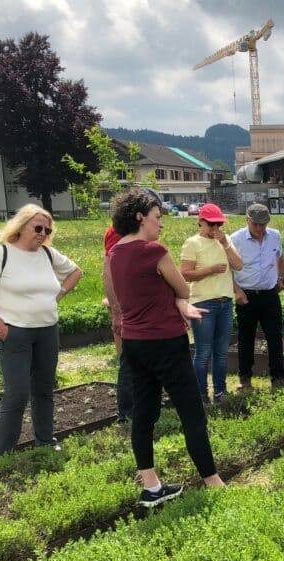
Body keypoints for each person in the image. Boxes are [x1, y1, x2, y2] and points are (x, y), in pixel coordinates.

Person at [103, 188, 225, 506]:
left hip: (134, 342)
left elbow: (135, 293)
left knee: (144, 413)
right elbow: (183, 287)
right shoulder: (154, 251)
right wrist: (178, 299)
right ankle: (213, 481)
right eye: (158, 217)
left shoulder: (115, 253)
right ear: (140, 217)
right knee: (191, 412)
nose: (161, 224)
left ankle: (151, 486)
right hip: (166, 341)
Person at [0, 205, 82, 457]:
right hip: (14, 333)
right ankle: (4, 455)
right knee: (17, 393)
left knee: (43, 389)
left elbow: (76, 272)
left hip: (47, 331)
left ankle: (45, 441)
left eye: (47, 229)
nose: (43, 233)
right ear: (21, 227)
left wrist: (59, 295)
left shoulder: (47, 254)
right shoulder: (0, 253)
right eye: (38, 228)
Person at [180, 203, 243, 405]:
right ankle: (200, 394)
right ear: (200, 222)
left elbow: (239, 265)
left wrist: (225, 244)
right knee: (203, 351)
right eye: (211, 224)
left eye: (218, 224)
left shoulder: (225, 241)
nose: (215, 229)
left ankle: (220, 392)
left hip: (225, 302)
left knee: (221, 351)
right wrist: (210, 269)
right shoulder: (192, 243)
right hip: (204, 302)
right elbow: (185, 274)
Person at [231, 203, 284, 390]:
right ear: (247, 220)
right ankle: (245, 378)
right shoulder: (236, 239)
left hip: (269, 293)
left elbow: (280, 256)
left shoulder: (275, 236)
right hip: (246, 295)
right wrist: (237, 290)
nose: (259, 228)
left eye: (263, 224)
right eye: (255, 224)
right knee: (246, 338)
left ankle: (278, 378)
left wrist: (279, 278)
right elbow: (227, 268)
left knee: (275, 336)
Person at [103, 224, 133, 423]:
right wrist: (116, 309)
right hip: (128, 305)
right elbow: (109, 270)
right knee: (129, 361)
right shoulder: (118, 231)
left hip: (140, 304)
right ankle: (126, 414)